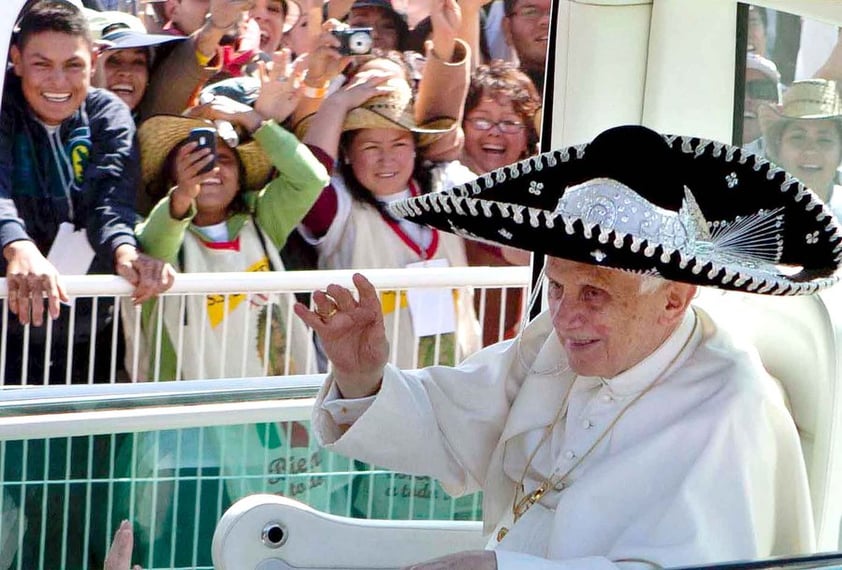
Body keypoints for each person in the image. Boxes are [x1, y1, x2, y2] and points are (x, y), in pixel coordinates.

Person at [295, 124, 840, 567]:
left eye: (594, 293)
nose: (564, 314)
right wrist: (362, 374)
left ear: (673, 300)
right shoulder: (556, 343)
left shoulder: (732, 407)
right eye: (555, 286)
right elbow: (447, 420)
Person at [297, 0, 482, 371]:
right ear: (347, 153)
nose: (387, 159)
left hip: (455, 387)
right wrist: (336, 106)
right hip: (368, 394)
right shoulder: (341, 206)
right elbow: (309, 180)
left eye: (399, 144)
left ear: (416, 147)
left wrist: (447, 39)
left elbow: (504, 213)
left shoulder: (445, 184)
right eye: (370, 146)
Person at [461, 60, 539, 345]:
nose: (494, 132)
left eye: (509, 123)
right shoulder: (447, 181)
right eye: (482, 120)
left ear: (527, 136)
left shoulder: (538, 189)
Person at [759, 78, 842, 219]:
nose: (810, 150)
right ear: (779, 147)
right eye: (798, 137)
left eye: (824, 140)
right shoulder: (751, 214)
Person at [501, 0, 549, 95]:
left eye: (558, 10)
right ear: (507, 28)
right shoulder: (500, 101)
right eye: (531, 12)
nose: (547, 21)